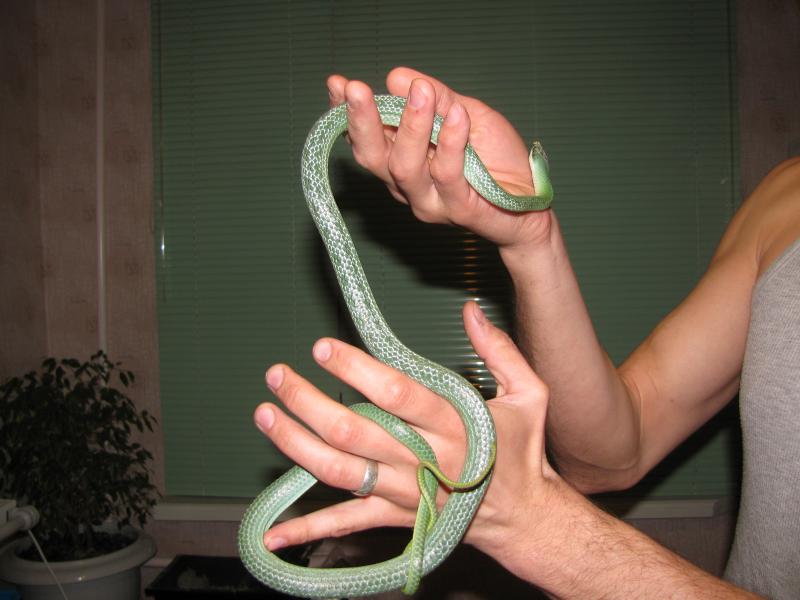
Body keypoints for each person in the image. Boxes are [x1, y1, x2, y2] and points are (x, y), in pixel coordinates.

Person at [253, 67, 800, 598]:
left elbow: (553, 503)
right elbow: (612, 455)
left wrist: (534, 522)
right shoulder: (783, 198)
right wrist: (530, 239)